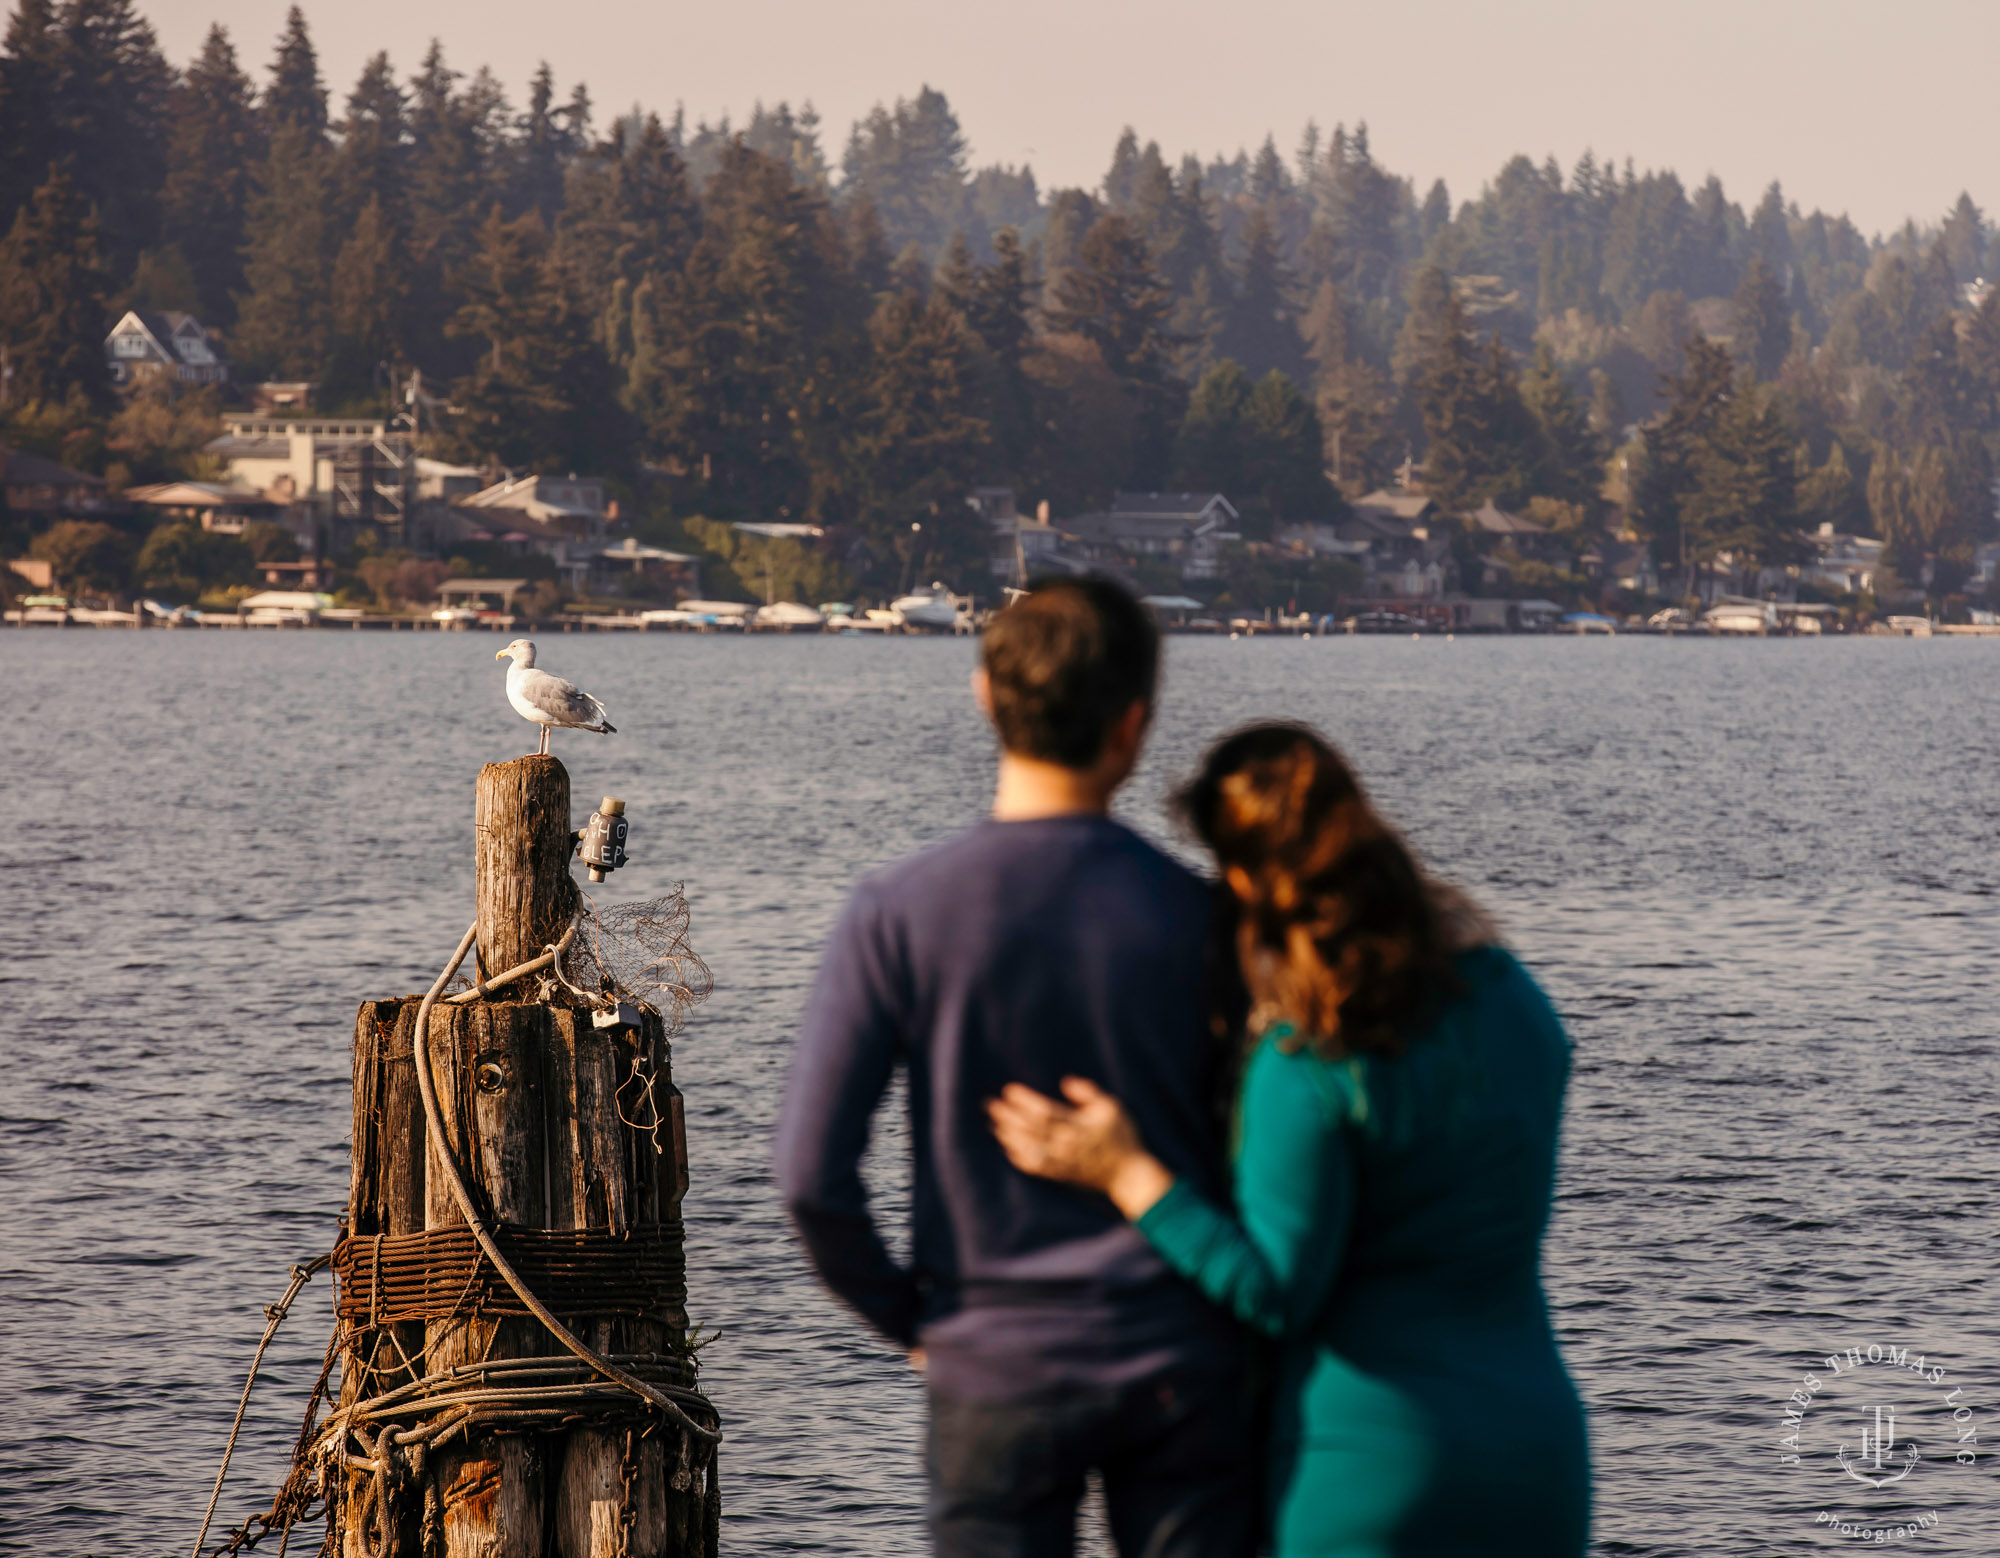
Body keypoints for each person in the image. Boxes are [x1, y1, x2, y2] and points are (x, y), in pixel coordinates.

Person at [989, 722, 1592, 1558]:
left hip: (1367, 1465)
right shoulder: (1513, 997)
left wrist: (1126, 1172)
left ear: (1244, 881)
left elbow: (1274, 1291)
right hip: (1539, 1456)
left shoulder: (1310, 1059)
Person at [774, 578, 1258, 1558]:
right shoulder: (1209, 921)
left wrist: (917, 1322)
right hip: (1179, 1357)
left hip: (990, 1361)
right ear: (1135, 724)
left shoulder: (899, 910)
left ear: (985, 700)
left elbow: (809, 1177)